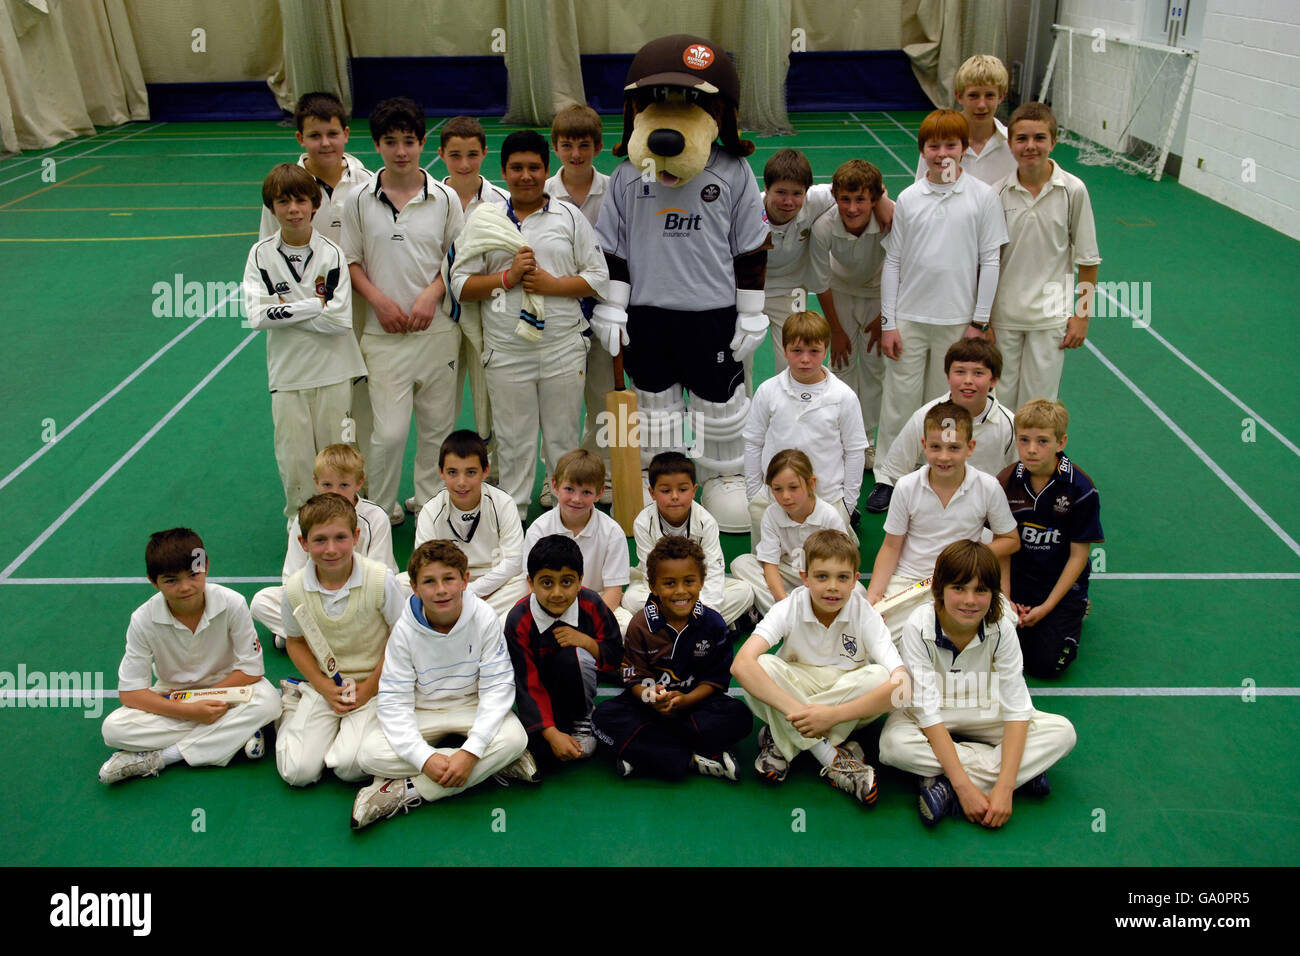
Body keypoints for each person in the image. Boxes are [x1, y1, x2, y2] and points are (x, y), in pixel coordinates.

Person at [448, 130, 609, 519]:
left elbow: (598, 277)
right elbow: (460, 285)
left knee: (561, 439)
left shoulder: (568, 216)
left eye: (533, 167)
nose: (525, 176)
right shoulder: (483, 218)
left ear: (545, 170)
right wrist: (506, 279)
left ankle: (565, 510)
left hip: (562, 349)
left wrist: (552, 285)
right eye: (516, 168)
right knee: (514, 441)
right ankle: (513, 514)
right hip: (506, 352)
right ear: (503, 171)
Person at [878, 540, 1077, 826]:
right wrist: (966, 788)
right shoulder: (918, 626)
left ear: (994, 594)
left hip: (982, 707)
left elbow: (1017, 708)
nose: (970, 600)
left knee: (1062, 732)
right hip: (927, 712)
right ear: (939, 591)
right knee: (893, 747)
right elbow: (928, 712)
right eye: (959, 588)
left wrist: (1005, 789)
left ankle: (942, 786)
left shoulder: (1002, 629)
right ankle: (1020, 769)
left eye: (981, 590)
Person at [350, 540, 534, 829]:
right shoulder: (404, 630)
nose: (441, 590)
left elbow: (497, 689)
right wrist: (424, 759)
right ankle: (495, 764)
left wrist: (470, 751)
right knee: (367, 755)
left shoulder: (484, 618)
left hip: (470, 706)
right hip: (422, 709)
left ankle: (403, 790)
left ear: (465, 580)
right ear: (414, 587)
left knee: (515, 739)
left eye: (449, 578)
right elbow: (394, 701)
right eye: (429, 582)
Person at [340, 96, 464, 523]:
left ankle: (431, 509)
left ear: (422, 142)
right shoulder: (357, 200)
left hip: (437, 333)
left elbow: (458, 258)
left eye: (409, 141)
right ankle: (379, 511)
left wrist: (432, 294)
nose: (401, 151)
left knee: (437, 431)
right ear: (376, 145)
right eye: (390, 142)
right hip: (383, 335)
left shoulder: (446, 198)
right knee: (388, 433)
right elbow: (350, 261)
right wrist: (379, 301)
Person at [731, 530, 908, 803]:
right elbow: (740, 665)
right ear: (805, 578)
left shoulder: (865, 613)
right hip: (797, 687)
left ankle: (781, 739)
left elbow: (902, 685)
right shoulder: (789, 606)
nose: (832, 587)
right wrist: (802, 712)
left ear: (854, 581)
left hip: (844, 693)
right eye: (822, 577)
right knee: (763, 665)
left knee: (880, 676)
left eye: (842, 577)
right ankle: (832, 756)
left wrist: (832, 715)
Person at [876, 109, 1008, 464]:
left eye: (951, 144)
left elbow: (990, 261)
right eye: (934, 146)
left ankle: (935, 467)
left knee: (943, 402)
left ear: (964, 148)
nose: (942, 153)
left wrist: (978, 322)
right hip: (909, 318)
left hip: (957, 321)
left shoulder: (983, 198)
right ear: (923, 151)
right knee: (899, 399)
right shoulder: (908, 198)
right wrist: (889, 323)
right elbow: (893, 263)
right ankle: (892, 472)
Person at [98, 529, 281, 783]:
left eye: (193, 575)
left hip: (229, 690)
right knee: (113, 729)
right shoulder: (142, 619)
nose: (185, 587)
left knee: (269, 701)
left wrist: (204, 702)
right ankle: (235, 734)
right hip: (175, 696)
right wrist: (190, 711)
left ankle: (162, 757)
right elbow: (131, 693)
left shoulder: (232, 603)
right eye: (171, 580)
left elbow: (251, 671)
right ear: (153, 581)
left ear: (205, 566)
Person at [245, 163, 365, 521]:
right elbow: (256, 317)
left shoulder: (332, 254)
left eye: (300, 200)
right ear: (272, 207)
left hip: (334, 373)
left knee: (340, 459)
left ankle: (346, 527)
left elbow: (340, 320)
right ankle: (300, 531)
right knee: (295, 464)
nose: (293, 209)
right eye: (284, 202)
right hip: (287, 377)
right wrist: (315, 305)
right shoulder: (259, 255)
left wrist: (287, 309)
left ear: (314, 205)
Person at [593, 536, 752, 780]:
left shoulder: (714, 624)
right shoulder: (640, 624)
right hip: (649, 707)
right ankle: (697, 757)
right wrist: (651, 697)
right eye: (669, 583)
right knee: (601, 719)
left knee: (741, 717)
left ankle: (647, 753)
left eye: (689, 581)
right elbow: (634, 677)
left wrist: (687, 699)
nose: (680, 591)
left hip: (695, 705)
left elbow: (715, 680)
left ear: (701, 582)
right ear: (654, 587)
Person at [276, 494, 404, 786]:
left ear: (356, 536)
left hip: (375, 684)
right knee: (298, 773)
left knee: (350, 767)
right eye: (319, 540)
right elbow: (295, 642)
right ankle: (291, 711)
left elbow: (401, 637)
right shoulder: (294, 589)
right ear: (303, 543)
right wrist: (324, 688)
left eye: (340, 537)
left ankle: (332, 739)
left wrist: (368, 689)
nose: (331, 549)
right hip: (326, 687)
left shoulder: (380, 578)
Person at [866, 402, 1020, 639]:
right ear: (924, 446)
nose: (944, 456)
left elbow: (1010, 540)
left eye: (954, 447)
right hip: (912, 580)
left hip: (966, 581)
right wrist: (874, 595)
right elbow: (891, 546)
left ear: (970, 447)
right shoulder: (906, 486)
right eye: (936, 447)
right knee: (877, 638)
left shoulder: (988, 487)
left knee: (1004, 630)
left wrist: (969, 559)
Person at [991, 101, 1102, 410]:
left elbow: (1089, 261)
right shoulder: (996, 193)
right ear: (1010, 144)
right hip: (1004, 319)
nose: (1031, 146)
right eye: (1022, 139)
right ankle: (1003, 461)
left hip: (1050, 319)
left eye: (1039, 138)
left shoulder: (1073, 190)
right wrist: (984, 319)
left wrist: (1081, 316)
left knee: (1039, 407)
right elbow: (986, 262)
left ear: (1054, 141)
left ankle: (1031, 461)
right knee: (1000, 406)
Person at [250, 444, 396, 648]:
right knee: (261, 602)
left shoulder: (376, 517)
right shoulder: (304, 518)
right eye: (327, 485)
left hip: (362, 601)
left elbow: (383, 573)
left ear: (359, 482)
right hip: (317, 602)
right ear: (316, 483)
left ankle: (310, 641)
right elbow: (291, 579)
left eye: (344, 485)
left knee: (404, 587)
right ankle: (344, 642)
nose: (335, 492)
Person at [998, 399, 1103, 678]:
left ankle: (1075, 611)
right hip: (1017, 582)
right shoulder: (1005, 482)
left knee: (1045, 666)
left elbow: (1079, 556)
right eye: (1024, 440)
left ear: (1061, 442)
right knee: (998, 659)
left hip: (1058, 586)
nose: (1031, 449)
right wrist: (1005, 599)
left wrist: (1046, 608)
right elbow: (1003, 548)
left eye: (1042, 441)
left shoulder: (1081, 489)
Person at [744, 311, 869, 546]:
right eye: (797, 351)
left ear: (826, 350)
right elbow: (753, 442)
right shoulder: (768, 391)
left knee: (827, 572)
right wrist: (754, 495)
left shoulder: (844, 397)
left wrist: (847, 505)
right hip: (773, 500)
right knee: (766, 570)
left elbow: (854, 451)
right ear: (784, 349)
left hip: (828, 500)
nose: (805, 359)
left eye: (814, 351)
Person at [504, 535, 623, 771]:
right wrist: (550, 732)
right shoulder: (518, 619)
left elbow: (615, 655)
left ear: (580, 581)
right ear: (531, 583)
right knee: (542, 755)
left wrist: (587, 642)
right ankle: (551, 728)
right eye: (547, 583)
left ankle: (583, 716)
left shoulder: (591, 603)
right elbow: (526, 683)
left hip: (580, 686)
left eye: (566, 582)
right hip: (542, 696)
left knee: (573, 656)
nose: (557, 593)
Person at [546, 103, 616, 503]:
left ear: (598, 146)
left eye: (584, 145)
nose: (576, 153)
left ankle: (598, 476)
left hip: (604, 311)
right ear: (556, 147)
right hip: (559, 311)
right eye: (568, 145)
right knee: (561, 406)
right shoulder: (543, 193)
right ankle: (555, 478)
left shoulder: (613, 191)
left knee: (604, 401)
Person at [866, 339, 1016, 514]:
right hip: (932, 508)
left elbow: (1018, 477)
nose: (968, 380)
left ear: (994, 380)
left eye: (978, 373)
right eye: (960, 372)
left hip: (985, 511)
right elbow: (896, 469)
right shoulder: (925, 416)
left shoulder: (1009, 424)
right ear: (947, 376)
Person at [437, 115, 510, 474]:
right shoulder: (431, 198)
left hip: (488, 315)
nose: (464, 164)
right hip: (442, 318)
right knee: (441, 402)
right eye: (454, 155)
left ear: (484, 153)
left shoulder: (502, 202)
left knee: (490, 398)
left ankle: (492, 471)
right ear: (441, 156)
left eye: (471, 154)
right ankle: (444, 475)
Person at [623, 452, 755, 628]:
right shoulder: (643, 522)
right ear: (652, 493)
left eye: (683, 490)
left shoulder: (706, 522)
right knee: (631, 600)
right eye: (666, 491)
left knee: (744, 592)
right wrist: (673, 601)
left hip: (697, 587)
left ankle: (674, 628)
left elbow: (713, 572)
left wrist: (705, 610)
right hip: (665, 589)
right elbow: (651, 575)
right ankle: (712, 625)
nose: (675, 496)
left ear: (694, 491)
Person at [506, 449, 632, 627]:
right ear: (555, 486)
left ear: (599, 493)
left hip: (595, 603)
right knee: (509, 621)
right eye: (569, 489)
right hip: (548, 601)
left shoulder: (612, 532)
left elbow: (613, 591)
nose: (576, 499)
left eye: (586, 492)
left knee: (626, 626)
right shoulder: (539, 529)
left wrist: (585, 624)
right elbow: (532, 586)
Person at [412, 430, 528, 620]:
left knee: (524, 584)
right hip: (448, 584)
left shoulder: (503, 504)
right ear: (441, 472)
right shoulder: (430, 511)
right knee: (400, 585)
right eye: (452, 472)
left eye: (471, 472)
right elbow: (425, 565)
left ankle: (460, 618)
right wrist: (454, 589)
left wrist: (470, 592)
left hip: (492, 581)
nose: (462, 482)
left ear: (486, 471)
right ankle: (482, 618)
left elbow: (514, 562)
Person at [732, 449, 854, 616]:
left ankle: (781, 613)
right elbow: (770, 563)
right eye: (777, 489)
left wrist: (823, 584)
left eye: (793, 487)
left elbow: (843, 564)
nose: (786, 496)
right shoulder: (772, 514)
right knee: (742, 564)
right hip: (788, 575)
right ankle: (789, 613)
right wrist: (782, 599)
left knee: (857, 591)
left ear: (811, 484)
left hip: (821, 578)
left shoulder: (829, 516)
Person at [912, 54, 1016, 186]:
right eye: (973, 96)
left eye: (989, 95)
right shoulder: (938, 143)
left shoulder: (1013, 145)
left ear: (1001, 96)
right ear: (959, 96)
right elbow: (922, 192)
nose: (981, 105)